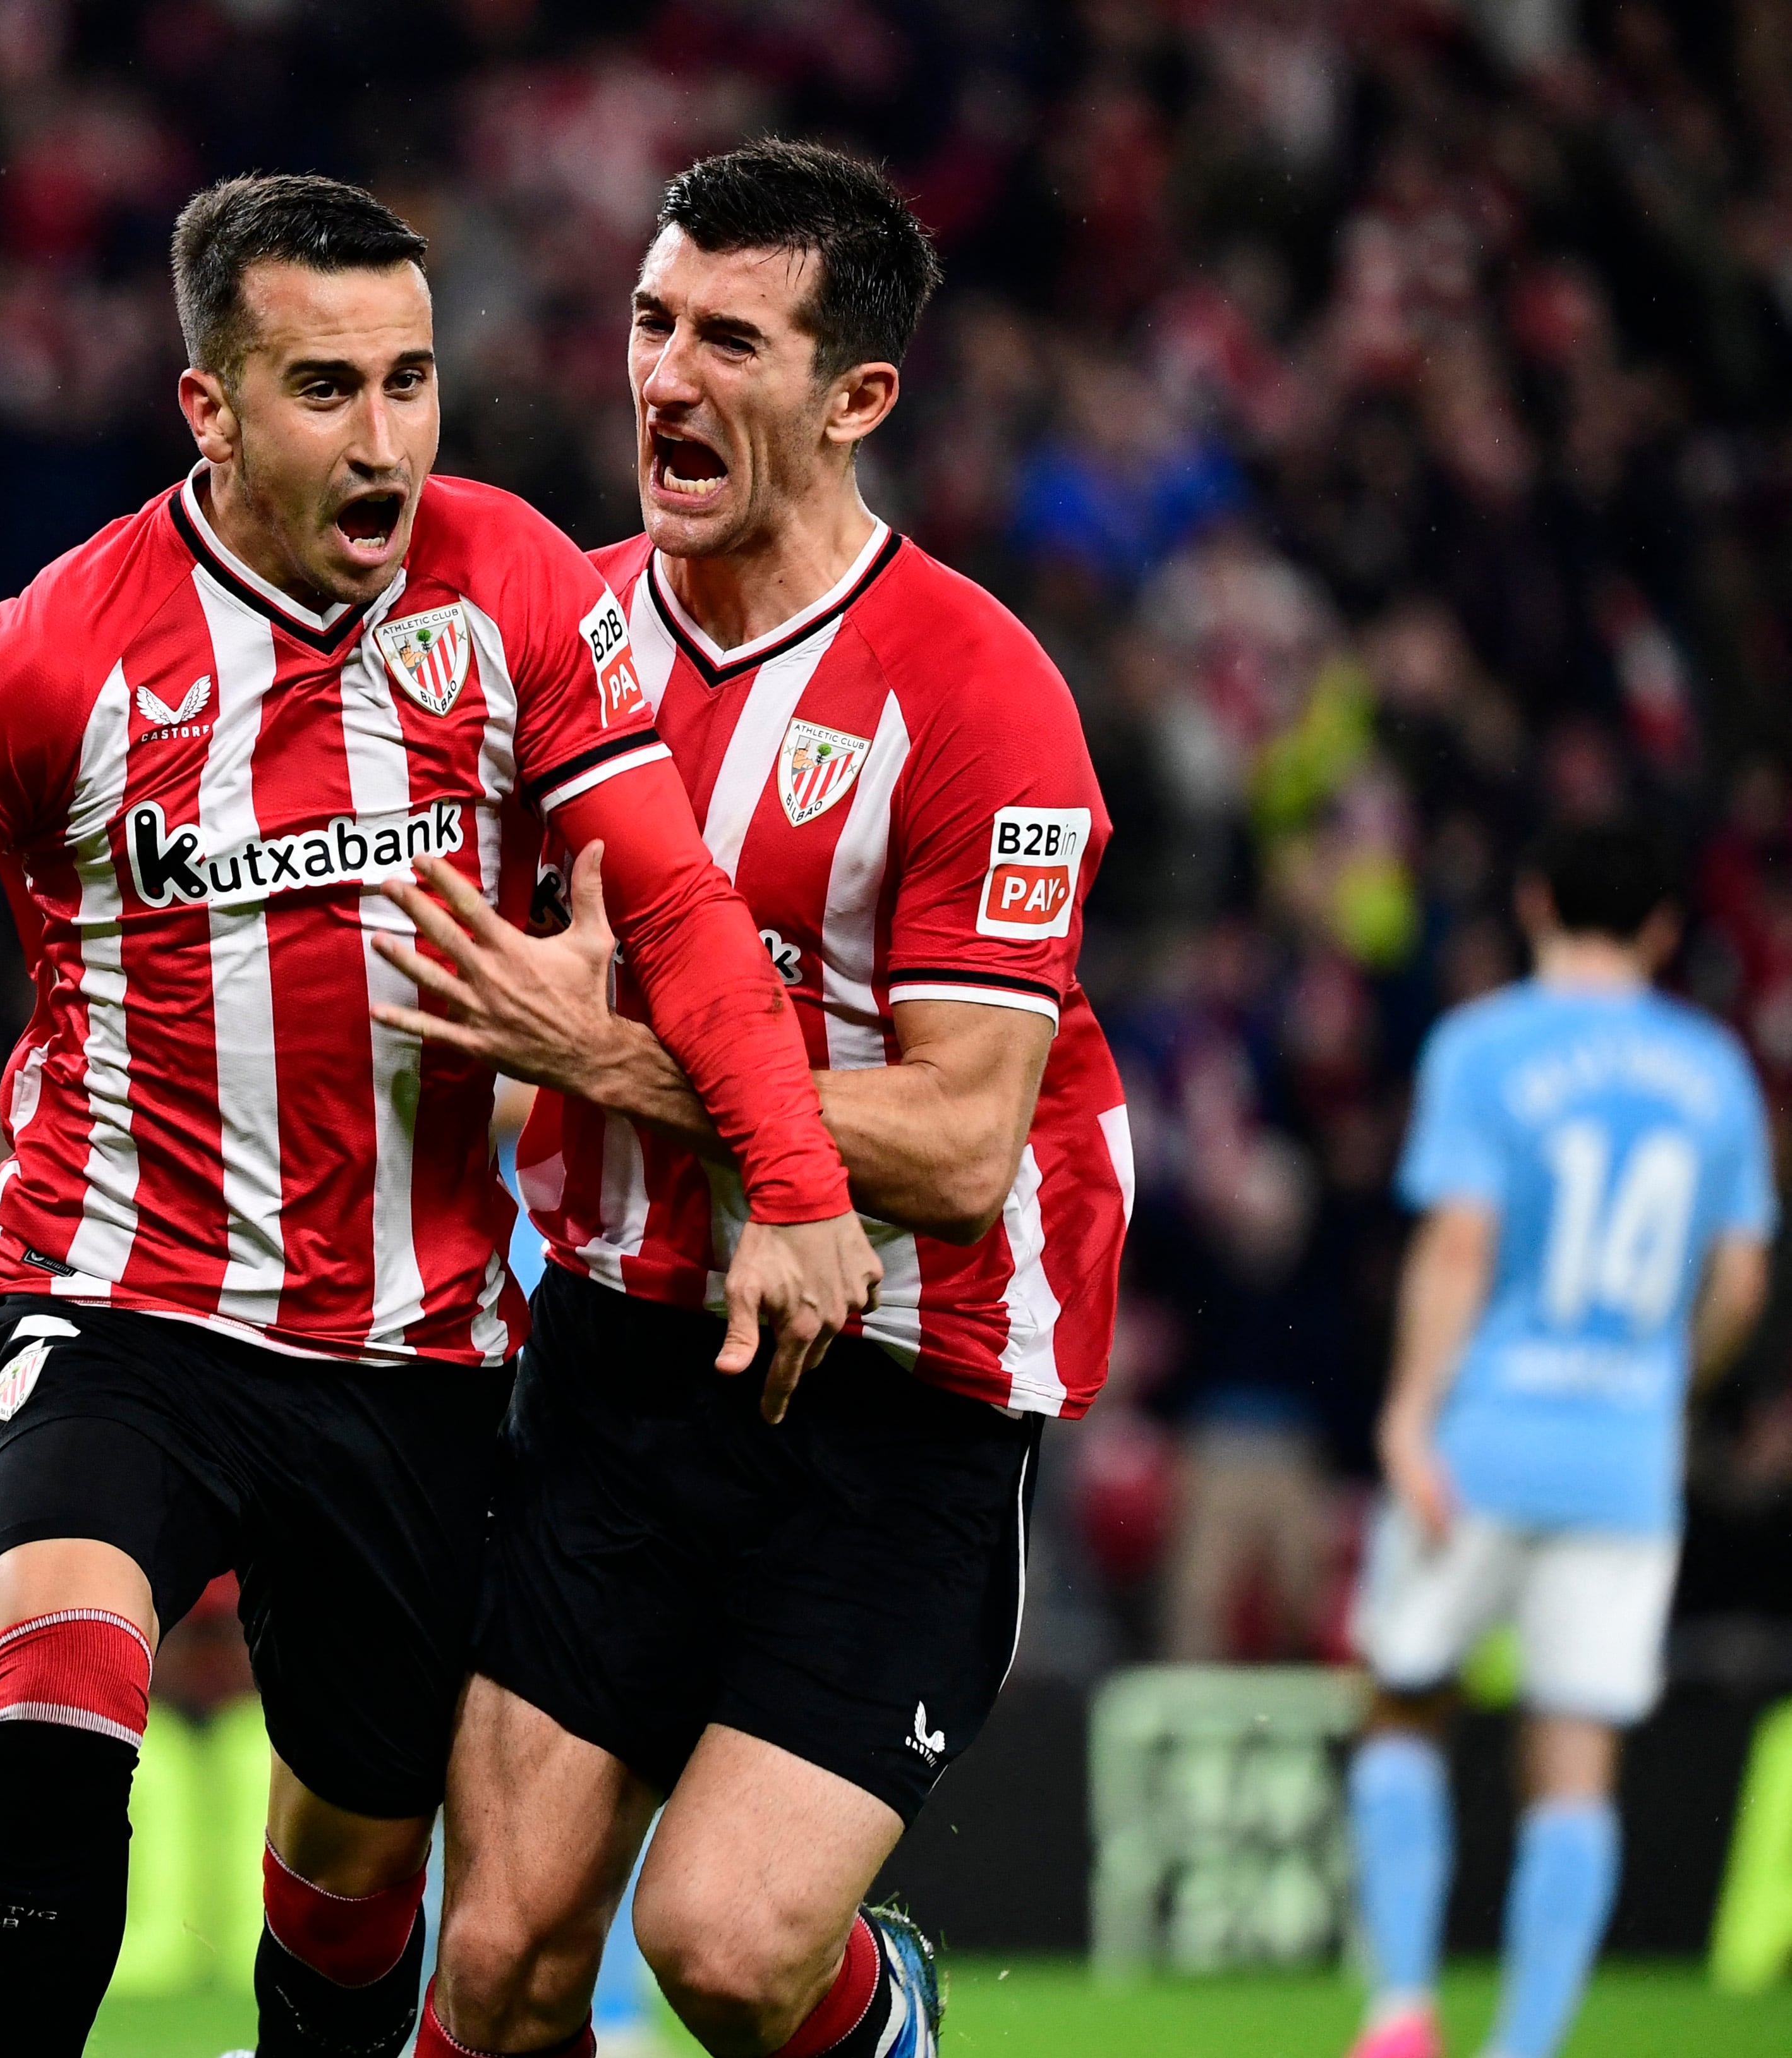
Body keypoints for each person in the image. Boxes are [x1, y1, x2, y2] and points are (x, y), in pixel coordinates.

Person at [0, 173, 875, 2058]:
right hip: (115, 1301)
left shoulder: (511, 578)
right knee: (60, 1694)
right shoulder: (42, 660)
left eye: (410, 382)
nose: (384, 440)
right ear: (206, 409)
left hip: (410, 1347)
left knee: (358, 1866)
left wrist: (787, 1177)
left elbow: (675, 903)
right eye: (324, 390)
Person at [370, 140, 1132, 2058]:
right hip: (624, 1355)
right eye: (647, 323)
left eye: (728, 339)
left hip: (898, 1386)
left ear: (856, 395)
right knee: (508, 1959)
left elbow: (963, 1142)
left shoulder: (977, 696)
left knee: (717, 1946)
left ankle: (884, 2016)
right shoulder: (563, 640)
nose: (663, 377)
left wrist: (613, 1056)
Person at [1342, 822, 1771, 2058]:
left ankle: (1401, 2012)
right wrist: (1665, 1392)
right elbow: (1738, 1282)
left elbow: (1461, 1245)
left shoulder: (1483, 1048)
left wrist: (1410, 1413)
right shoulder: (1717, 1074)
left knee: (1405, 1704)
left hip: (1480, 1438)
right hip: (1621, 1462)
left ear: (1532, 901)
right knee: (1574, 1757)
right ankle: (1525, 2046)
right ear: (1661, 930)